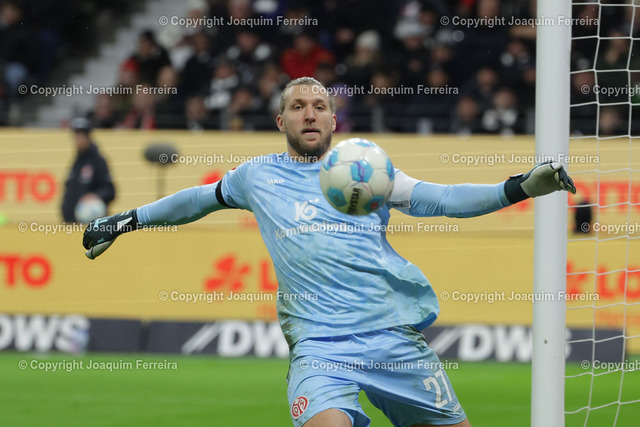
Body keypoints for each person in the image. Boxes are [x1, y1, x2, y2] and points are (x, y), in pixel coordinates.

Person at [83, 77, 576, 427]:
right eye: (298, 106)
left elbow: (443, 199)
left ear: (334, 119)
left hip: (391, 337)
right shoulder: (257, 176)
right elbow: (195, 201)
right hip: (320, 346)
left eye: (319, 105)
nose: (310, 113)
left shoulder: (367, 168)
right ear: (281, 120)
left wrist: (518, 187)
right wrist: (127, 220)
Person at [62, 117, 115, 223]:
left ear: (88, 137)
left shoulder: (98, 161)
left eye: (81, 135)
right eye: (76, 135)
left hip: (91, 225)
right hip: (71, 224)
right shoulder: (77, 161)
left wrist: (96, 196)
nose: (78, 139)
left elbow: (110, 191)